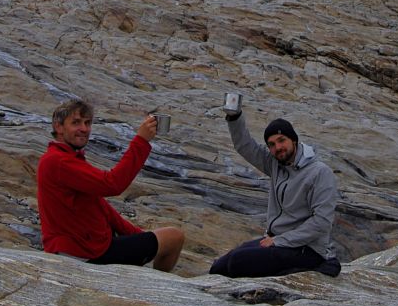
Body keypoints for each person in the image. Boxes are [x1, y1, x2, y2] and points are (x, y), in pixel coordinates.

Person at [37, 98, 184, 271]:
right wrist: (141, 141)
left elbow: (100, 205)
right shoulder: (58, 161)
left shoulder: (65, 158)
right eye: (76, 123)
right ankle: (158, 286)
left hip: (87, 247)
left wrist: (136, 235)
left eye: (87, 123)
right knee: (174, 237)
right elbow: (112, 184)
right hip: (82, 253)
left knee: (157, 238)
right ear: (58, 127)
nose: (84, 129)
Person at [211, 99, 341, 278]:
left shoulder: (320, 173)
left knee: (238, 262)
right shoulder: (276, 164)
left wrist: (280, 240)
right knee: (219, 266)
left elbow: (321, 223)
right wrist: (235, 118)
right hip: (277, 240)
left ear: (294, 140)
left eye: (282, 140)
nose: (278, 148)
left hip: (307, 249)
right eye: (271, 144)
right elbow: (246, 147)